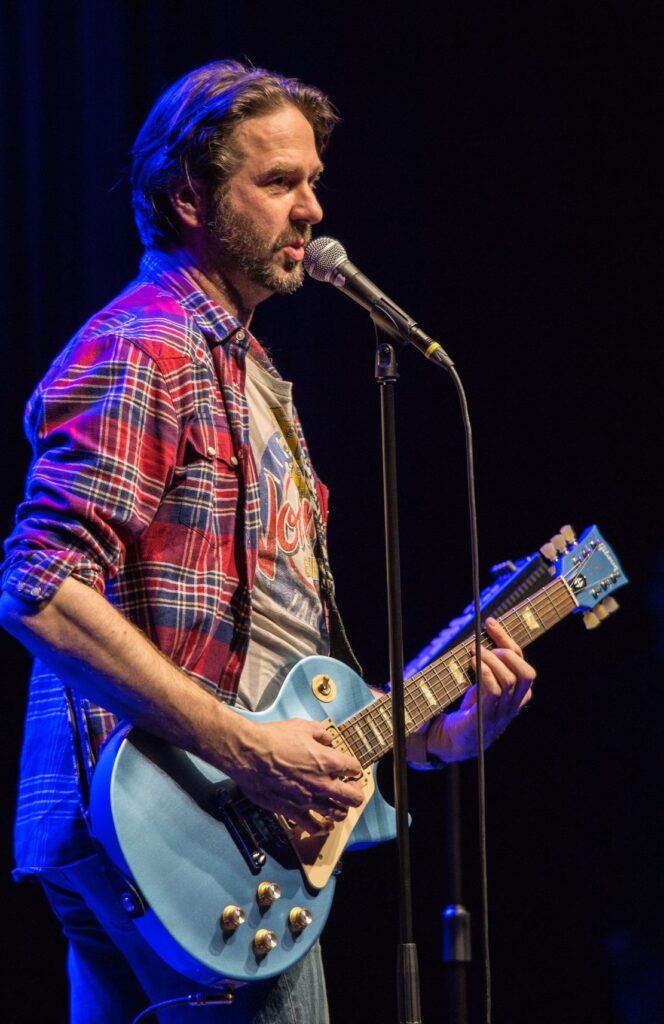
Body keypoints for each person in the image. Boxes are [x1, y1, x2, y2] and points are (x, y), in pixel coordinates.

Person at [0, 60, 536, 1023]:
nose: (313, 210)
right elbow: (40, 588)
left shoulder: (248, 375)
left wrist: (430, 734)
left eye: (313, 181)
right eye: (280, 181)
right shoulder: (147, 347)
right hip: (176, 822)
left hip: (207, 826)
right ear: (187, 197)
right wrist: (242, 747)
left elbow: (284, 666)